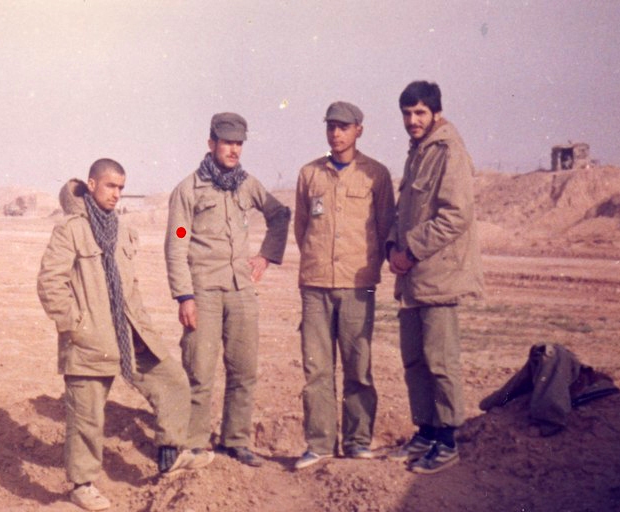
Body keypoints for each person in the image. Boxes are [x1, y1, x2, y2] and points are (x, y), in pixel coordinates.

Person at [38, 159, 203, 511]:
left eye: (121, 188)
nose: (116, 194)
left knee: (172, 380)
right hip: (90, 339)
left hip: (130, 334)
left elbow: (131, 286)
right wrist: (77, 325)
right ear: (92, 184)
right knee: (87, 416)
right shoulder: (71, 230)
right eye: (110, 186)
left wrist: (142, 325)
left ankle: (170, 455)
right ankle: (82, 485)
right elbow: (50, 283)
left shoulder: (123, 230)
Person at [165, 112, 291, 467]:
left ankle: (236, 440)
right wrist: (184, 295)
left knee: (243, 369)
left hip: (241, 291)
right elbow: (178, 240)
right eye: (227, 143)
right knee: (199, 370)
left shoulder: (247, 185)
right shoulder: (189, 191)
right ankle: (194, 443)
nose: (234, 150)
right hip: (203, 292)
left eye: (239, 144)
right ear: (211, 144)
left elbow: (279, 214)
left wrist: (266, 256)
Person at [386, 81, 484, 474]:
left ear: (436, 113)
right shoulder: (418, 152)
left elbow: (456, 216)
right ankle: (426, 432)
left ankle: (447, 441)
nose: (412, 120)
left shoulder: (448, 151)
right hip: (413, 278)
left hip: (438, 277)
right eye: (407, 113)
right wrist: (393, 248)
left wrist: (409, 251)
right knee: (415, 360)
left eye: (420, 113)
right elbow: (405, 211)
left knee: (440, 361)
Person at [292, 101, 395, 470]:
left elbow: (385, 227)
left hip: (357, 285)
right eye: (331, 127)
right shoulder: (309, 174)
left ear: (358, 130)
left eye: (344, 127)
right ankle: (319, 443)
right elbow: (302, 228)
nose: (336, 134)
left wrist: (363, 267)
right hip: (315, 285)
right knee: (317, 369)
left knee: (358, 366)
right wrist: (318, 261)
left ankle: (357, 441)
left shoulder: (376, 175)